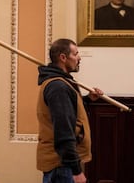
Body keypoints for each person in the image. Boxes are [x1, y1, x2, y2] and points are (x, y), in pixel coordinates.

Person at [36, 38, 103, 183]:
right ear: (63, 58)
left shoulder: (63, 83)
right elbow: (63, 130)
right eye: (76, 54)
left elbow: (69, 112)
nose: (79, 58)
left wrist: (87, 100)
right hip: (62, 165)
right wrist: (76, 170)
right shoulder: (58, 87)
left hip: (63, 163)